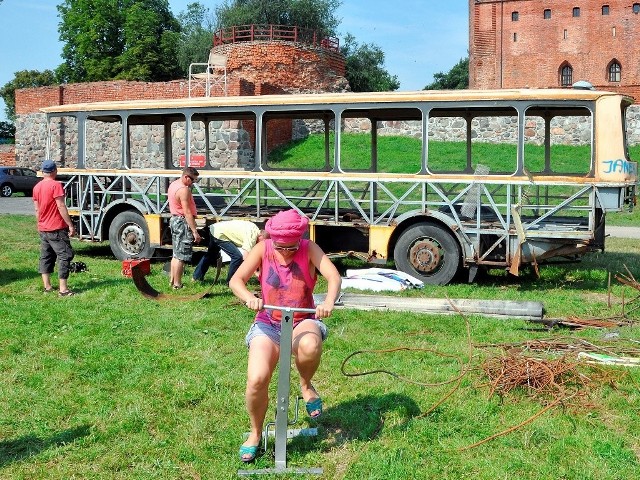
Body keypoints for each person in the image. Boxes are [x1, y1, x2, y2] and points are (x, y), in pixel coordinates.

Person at [229, 209, 341, 463]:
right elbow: (237, 280)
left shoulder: (309, 248)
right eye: (282, 248)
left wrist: (329, 301)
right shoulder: (263, 248)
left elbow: (333, 276)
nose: (287, 253)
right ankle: (255, 433)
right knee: (257, 379)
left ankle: (305, 385)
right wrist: (250, 298)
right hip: (269, 321)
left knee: (310, 345)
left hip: (302, 319)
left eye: (292, 248)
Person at [32, 159, 76, 296]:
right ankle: (63, 290)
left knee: (46, 256)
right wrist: (70, 224)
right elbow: (61, 206)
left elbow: (37, 210)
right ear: (54, 171)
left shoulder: (36, 187)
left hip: (44, 228)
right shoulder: (56, 185)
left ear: (43, 172)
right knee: (65, 255)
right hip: (56, 228)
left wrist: (39, 224)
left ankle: (47, 287)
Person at [192, 220, 266, 284]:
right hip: (220, 234)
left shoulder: (255, 229)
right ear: (260, 236)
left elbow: (257, 256)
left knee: (210, 254)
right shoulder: (252, 236)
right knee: (237, 257)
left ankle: (196, 277)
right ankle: (231, 282)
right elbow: (246, 257)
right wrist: (256, 273)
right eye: (263, 242)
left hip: (215, 229)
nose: (262, 244)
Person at [168, 167, 202, 289]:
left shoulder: (174, 184)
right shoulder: (184, 190)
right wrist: (194, 231)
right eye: (192, 180)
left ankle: (172, 280)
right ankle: (177, 284)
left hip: (174, 219)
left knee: (176, 253)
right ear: (186, 177)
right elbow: (187, 212)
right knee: (181, 255)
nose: (193, 183)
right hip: (182, 222)